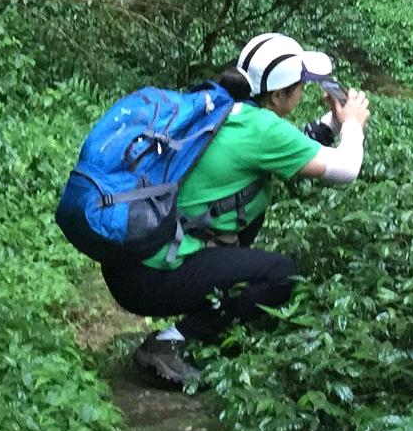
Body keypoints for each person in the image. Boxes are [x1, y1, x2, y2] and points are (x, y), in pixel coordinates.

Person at [100, 33, 371, 385]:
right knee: (280, 275)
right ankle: (169, 343)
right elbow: (346, 169)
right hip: (150, 278)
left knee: (246, 237)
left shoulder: (223, 107)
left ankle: (205, 319)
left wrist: (333, 123)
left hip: (129, 263)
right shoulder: (262, 129)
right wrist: (352, 125)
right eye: (300, 86)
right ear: (279, 95)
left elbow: (292, 149)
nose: (303, 91)